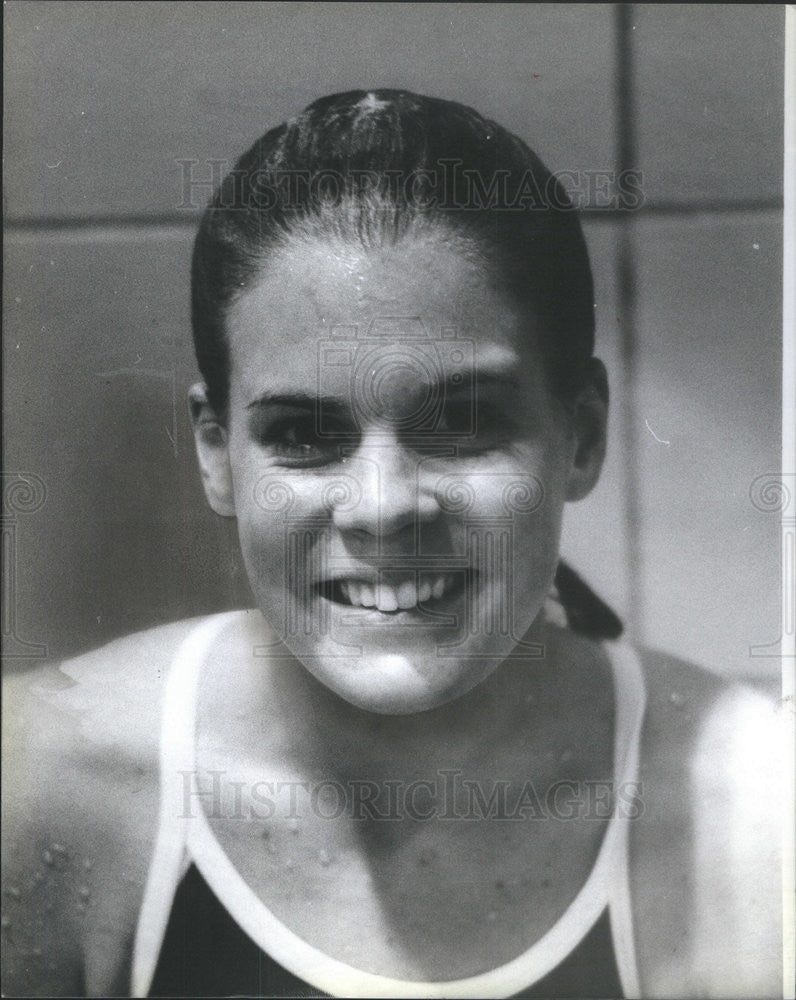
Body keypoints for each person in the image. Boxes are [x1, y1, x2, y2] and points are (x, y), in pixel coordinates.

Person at [1, 90, 781, 998]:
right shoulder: (44, 781)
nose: (381, 509)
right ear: (218, 452)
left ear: (583, 436)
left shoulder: (756, 812)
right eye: (302, 435)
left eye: (463, 424)